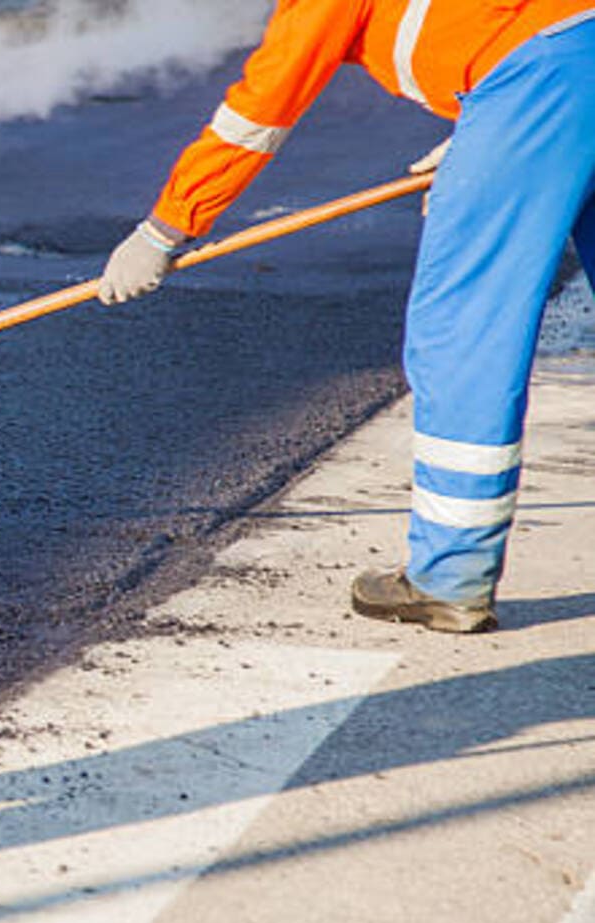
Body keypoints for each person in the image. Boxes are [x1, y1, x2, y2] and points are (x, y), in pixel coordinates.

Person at [98, 0, 595, 633]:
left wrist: (165, 228)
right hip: (556, 69)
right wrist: (489, 124)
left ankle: (450, 577)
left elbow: (261, 110)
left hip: (539, 80)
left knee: (465, 326)